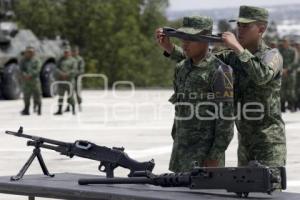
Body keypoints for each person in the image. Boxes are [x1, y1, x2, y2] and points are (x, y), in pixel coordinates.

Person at [156, 5, 286, 170]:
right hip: (244, 139)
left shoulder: (272, 56)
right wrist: (170, 48)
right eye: (239, 25)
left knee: (269, 189)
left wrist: (237, 47)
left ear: (261, 29)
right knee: (248, 189)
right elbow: (202, 61)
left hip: (269, 140)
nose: (240, 29)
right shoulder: (231, 57)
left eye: (246, 26)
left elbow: (261, 76)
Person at [158, 16, 234, 172]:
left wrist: (215, 155)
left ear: (205, 40)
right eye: (183, 38)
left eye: (190, 39)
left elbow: (226, 120)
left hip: (204, 155)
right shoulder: (181, 67)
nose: (185, 44)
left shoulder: (220, 71)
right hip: (181, 150)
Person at [54, 46, 77, 115]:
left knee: (71, 96)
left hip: (69, 81)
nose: (66, 53)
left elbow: (74, 70)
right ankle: (59, 110)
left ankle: (73, 110)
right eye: (65, 52)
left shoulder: (73, 60)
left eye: (67, 52)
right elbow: (56, 68)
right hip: (61, 81)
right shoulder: (60, 60)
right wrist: (61, 74)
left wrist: (67, 74)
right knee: (61, 96)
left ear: (70, 53)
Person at [19, 46, 42, 116]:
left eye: (31, 52)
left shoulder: (37, 60)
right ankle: (26, 109)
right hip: (26, 82)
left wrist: (30, 75)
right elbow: (21, 69)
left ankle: (39, 109)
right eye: (28, 52)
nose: (29, 53)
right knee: (26, 96)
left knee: (37, 95)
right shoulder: (23, 60)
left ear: (33, 53)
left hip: (35, 81)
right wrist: (25, 75)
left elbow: (38, 69)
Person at [278, 37, 298, 112]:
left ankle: (292, 105)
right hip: (282, 73)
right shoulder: (280, 51)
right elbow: (277, 60)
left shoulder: (293, 50)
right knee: (282, 90)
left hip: (291, 73)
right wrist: (282, 69)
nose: (285, 43)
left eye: (286, 42)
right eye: (284, 42)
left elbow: (295, 61)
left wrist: (288, 69)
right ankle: (282, 106)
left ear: (289, 42)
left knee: (291, 90)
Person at [65, 46, 85, 112]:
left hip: (77, 78)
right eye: (73, 51)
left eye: (75, 51)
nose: (74, 52)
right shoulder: (70, 59)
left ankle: (79, 105)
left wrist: (75, 73)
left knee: (78, 93)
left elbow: (81, 70)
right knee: (69, 93)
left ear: (77, 52)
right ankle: (68, 106)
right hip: (70, 79)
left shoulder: (80, 59)